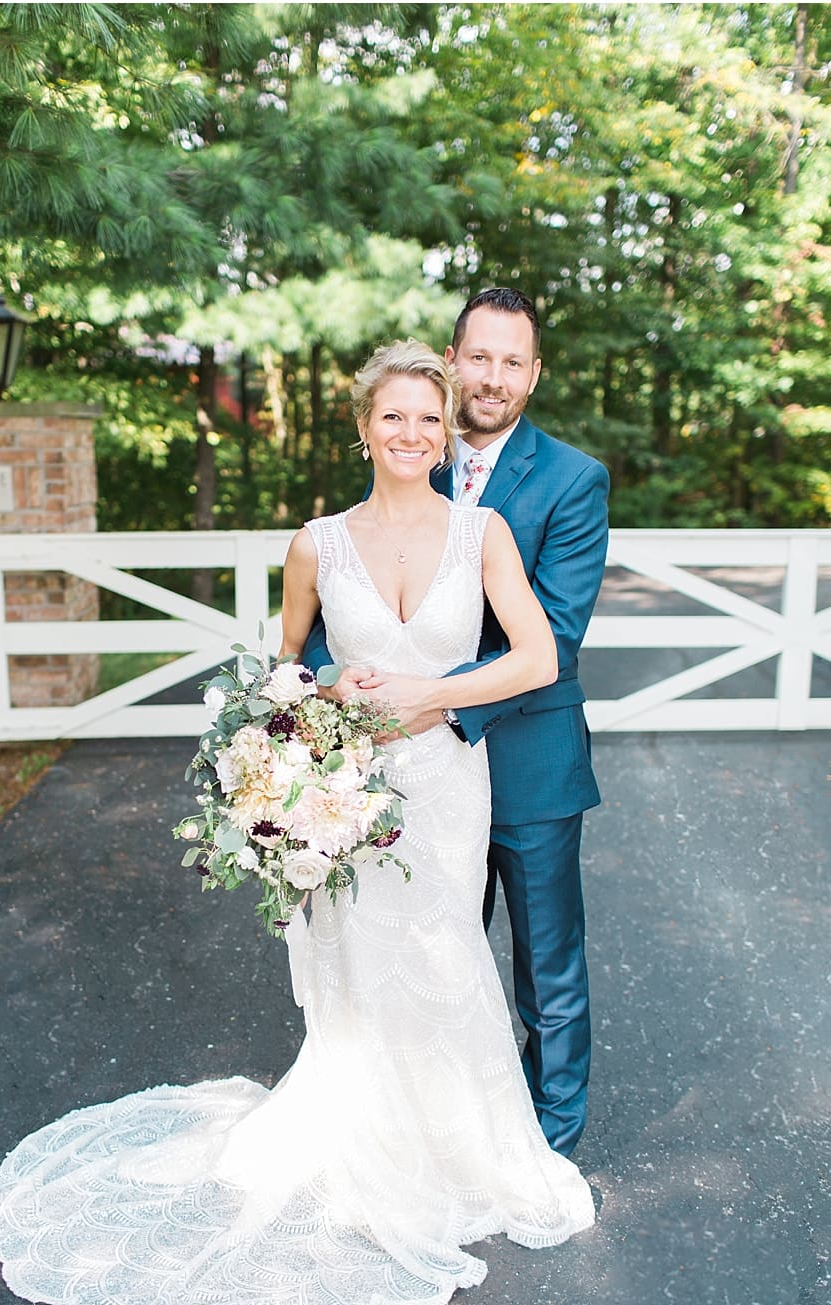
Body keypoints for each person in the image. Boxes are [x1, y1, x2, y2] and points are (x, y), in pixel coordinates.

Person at [0, 343, 594, 1305]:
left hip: (442, 776)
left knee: (442, 948)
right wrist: (324, 700)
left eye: (429, 420)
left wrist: (430, 695)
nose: (413, 434)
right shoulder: (317, 543)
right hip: (352, 783)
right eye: (395, 417)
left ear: (446, 434)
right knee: (365, 963)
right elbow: (286, 665)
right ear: (363, 427)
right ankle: (369, 1144)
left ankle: (463, 1147)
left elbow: (534, 654)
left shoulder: (482, 535)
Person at [308, 287, 609, 1158]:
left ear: (534, 374)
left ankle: (548, 1141)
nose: (493, 376)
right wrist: (336, 677)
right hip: (404, 771)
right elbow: (344, 600)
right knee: (433, 953)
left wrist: (426, 696)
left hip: (527, 759)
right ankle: (437, 1128)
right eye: (479, 356)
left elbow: (552, 630)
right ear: (452, 358)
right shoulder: (412, 449)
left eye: (513, 361)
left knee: (544, 965)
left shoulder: (571, 480)